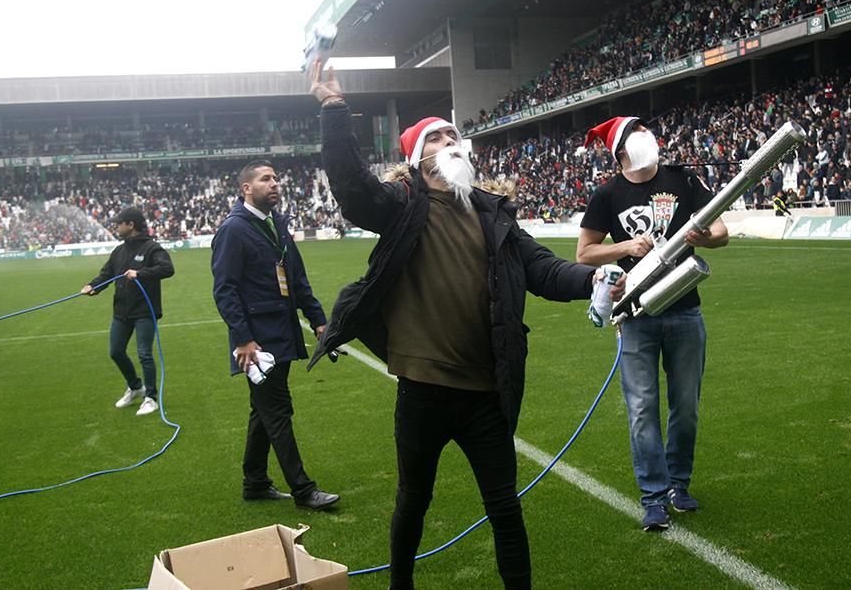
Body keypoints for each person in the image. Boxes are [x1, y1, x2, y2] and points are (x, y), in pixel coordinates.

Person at [307, 59, 621, 589]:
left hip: (485, 392)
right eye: (438, 136)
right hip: (423, 391)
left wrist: (592, 281)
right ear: (417, 156)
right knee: (413, 501)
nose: (452, 139)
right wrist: (335, 110)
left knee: (504, 508)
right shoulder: (402, 203)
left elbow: (542, 268)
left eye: (455, 133)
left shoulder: (493, 212)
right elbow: (355, 193)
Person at [575, 116, 729, 532]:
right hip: (635, 314)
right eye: (635, 132)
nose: (646, 136)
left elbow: (722, 231)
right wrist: (624, 246)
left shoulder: (682, 179)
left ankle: (679, 484)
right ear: (619, 151)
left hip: (685, 308)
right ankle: (654, 497)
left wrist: (705, 238)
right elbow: (584, 253)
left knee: (687, 406)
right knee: (642, 408)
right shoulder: (607, 194)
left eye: (646, 129)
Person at [211, 160, 340, 511]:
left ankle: (254, 482)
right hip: (258, 341)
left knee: (264, 411)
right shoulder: (233, 230)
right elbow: (225, 289)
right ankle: (303, 490)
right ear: (246, 189)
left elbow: (297, 277)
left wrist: (318, 320)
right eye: (266, 179)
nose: (275, 183)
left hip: (281, 333)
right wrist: (242, 339)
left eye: (277, 178)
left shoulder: (276, 225)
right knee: (277, 411)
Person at [81, 207, 174, 416]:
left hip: (144, 311)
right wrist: (93, 286)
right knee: (115, 352)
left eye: (118, 223)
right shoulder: (119, 251)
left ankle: (150, 398)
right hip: (121, 312)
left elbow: (167, 269)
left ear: (130, 225)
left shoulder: (152, 248)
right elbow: (106, 274)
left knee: (144, 354)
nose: (116, 227)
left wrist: (140, 273)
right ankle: (135, 387)